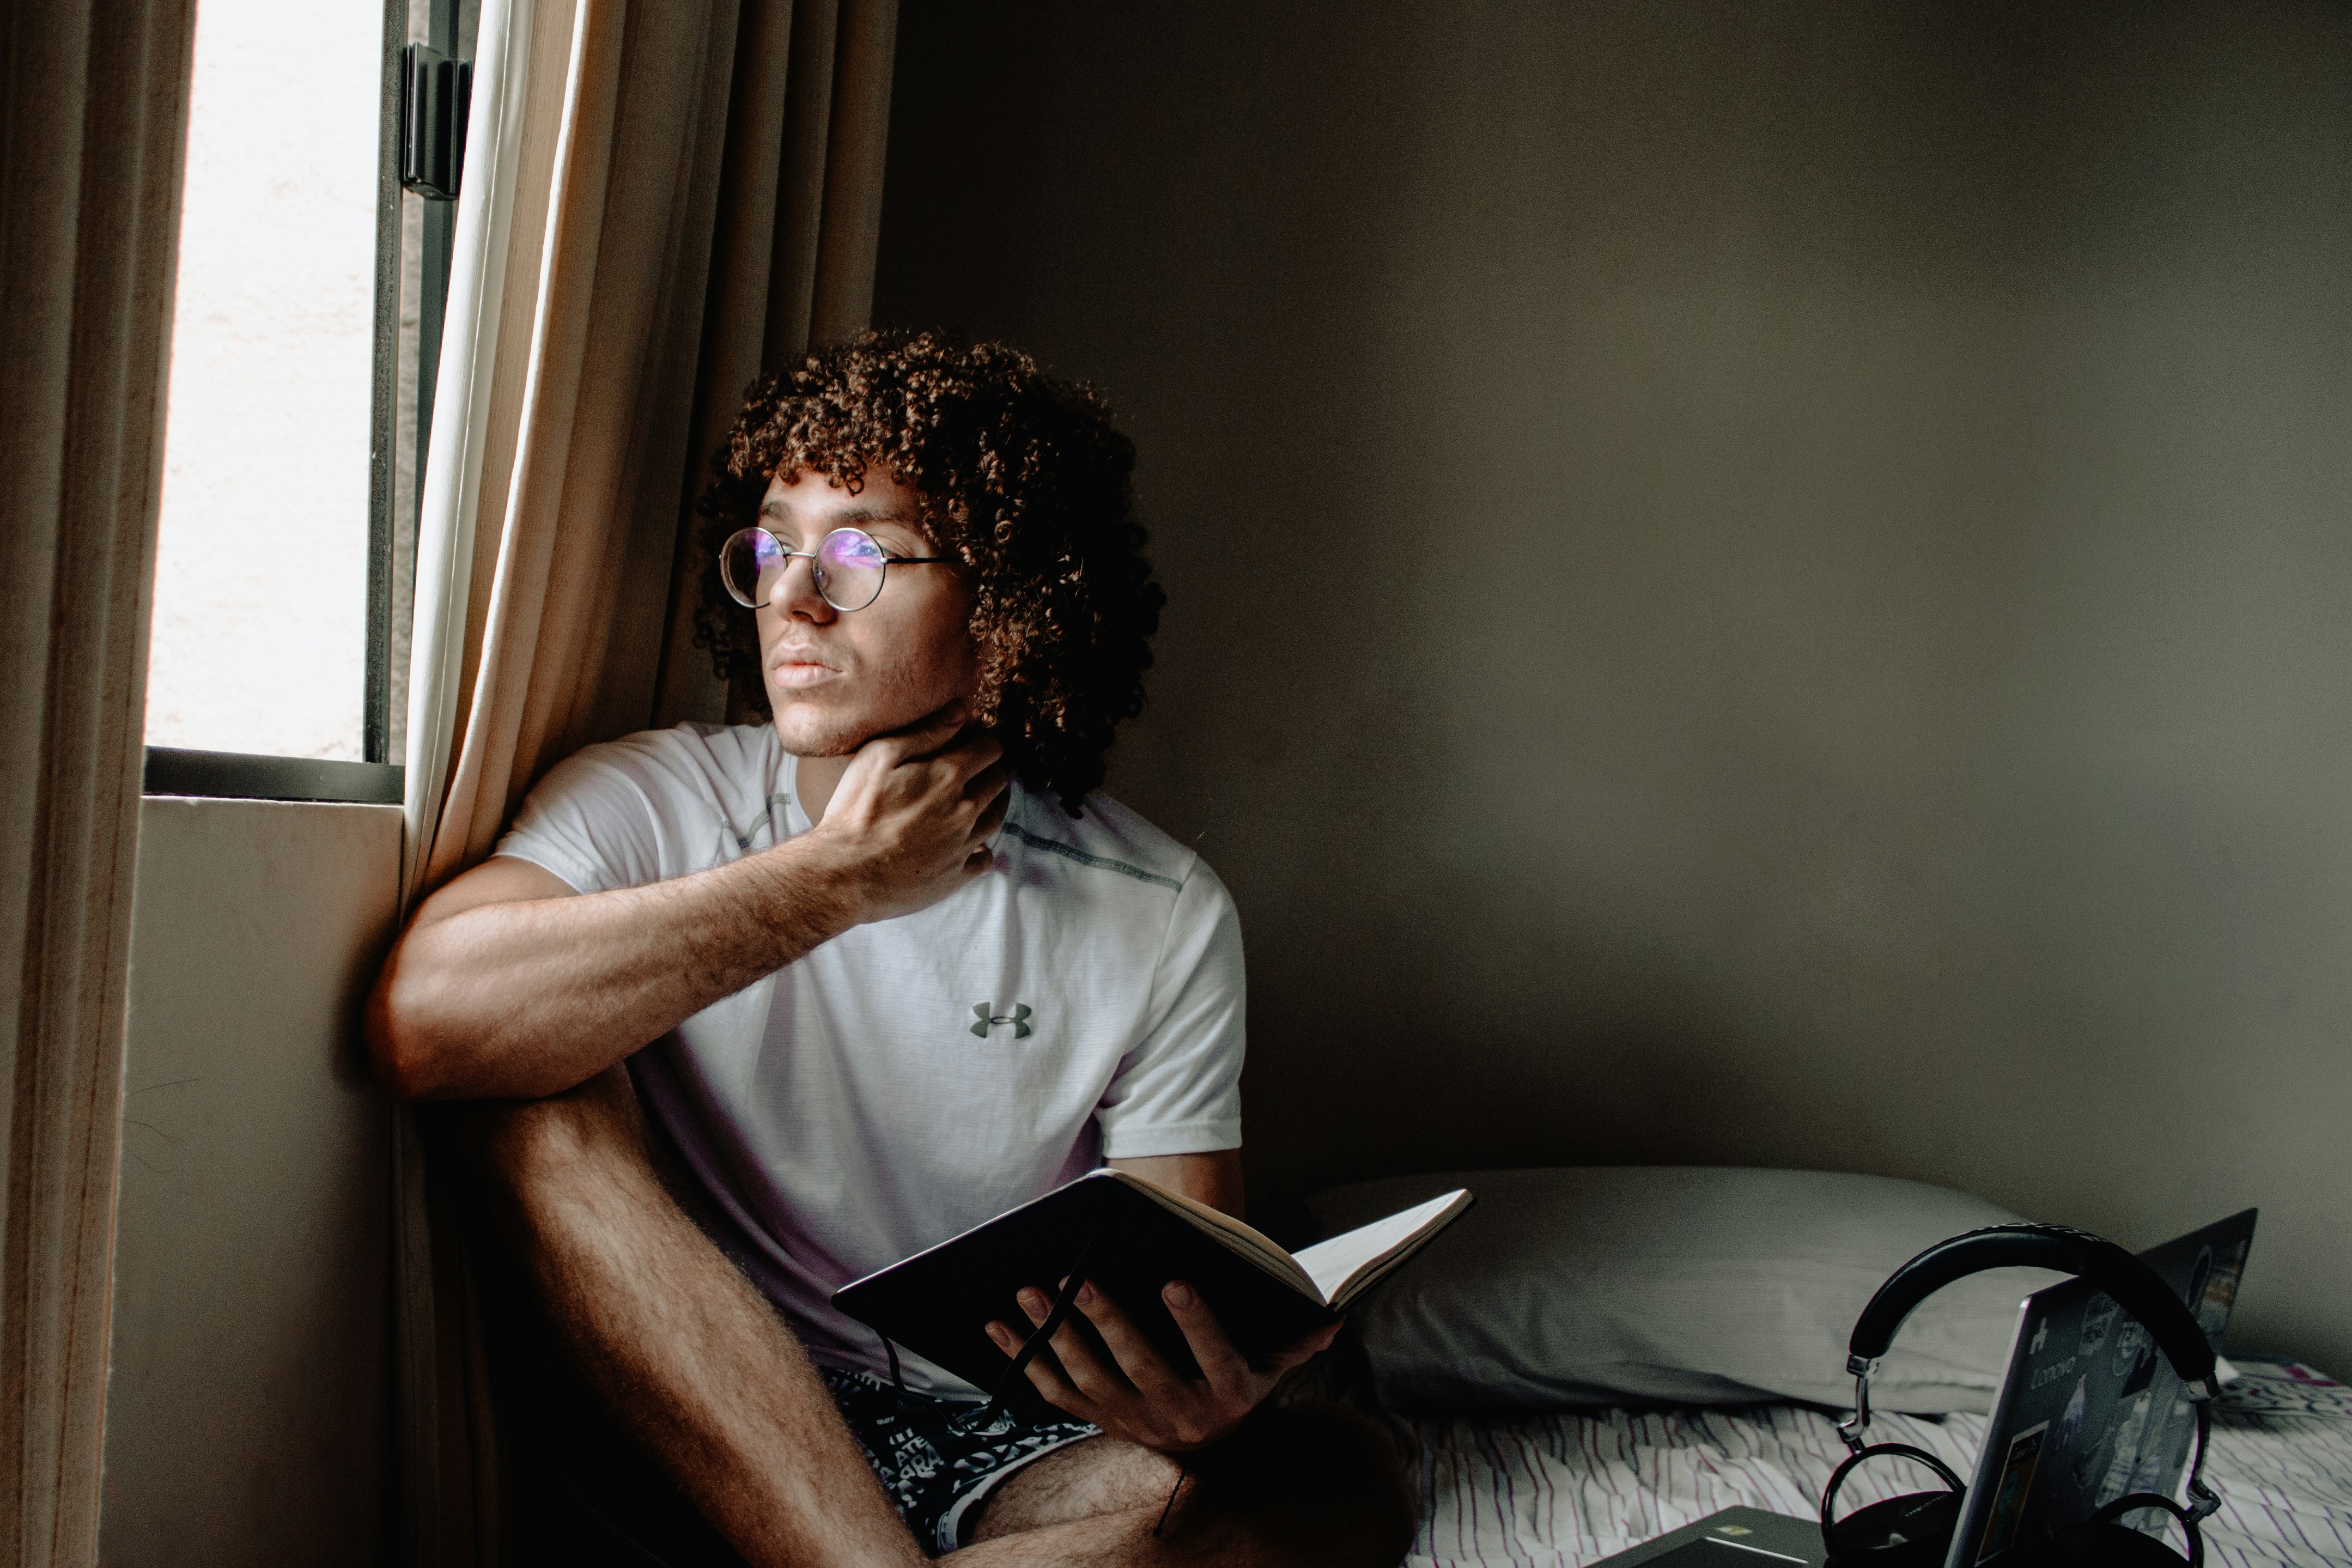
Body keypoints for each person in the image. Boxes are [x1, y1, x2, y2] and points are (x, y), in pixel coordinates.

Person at [366, 331, 1413, 1566]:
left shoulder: (1156, 907)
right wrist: (838, 877)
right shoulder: (646, 798)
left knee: (1330, 1489)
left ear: (1011, 598)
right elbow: (423, 1024)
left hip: (1008, 1440)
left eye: (860, 549)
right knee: (532, 1093)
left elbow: (1183, 1305)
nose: (793, 596)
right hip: (718, 1410)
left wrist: (1199, 1404)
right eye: (772, 543)